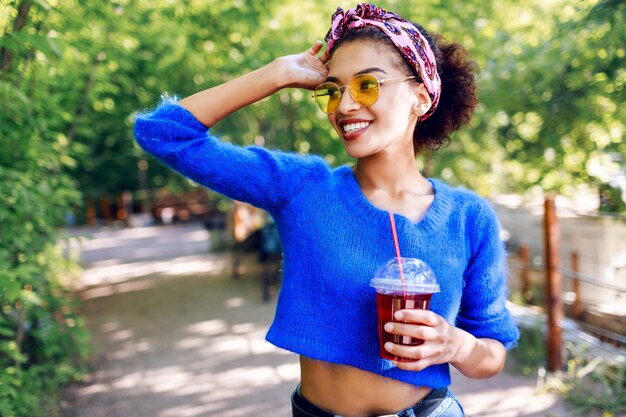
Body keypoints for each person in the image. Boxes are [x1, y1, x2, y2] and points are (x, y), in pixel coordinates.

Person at [134, 3, 519, 416]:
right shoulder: (301, 188)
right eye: (333, 90)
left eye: (367, 85)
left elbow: (491, 353)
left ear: (420, 97)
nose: (345, 105)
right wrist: (277, 74)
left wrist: (457, 344)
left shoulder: (469, 217)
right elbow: (163, 133)